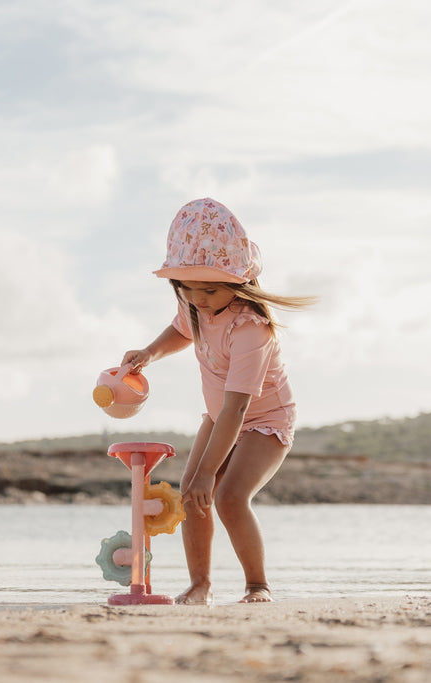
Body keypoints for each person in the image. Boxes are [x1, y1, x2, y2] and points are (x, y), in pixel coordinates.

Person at [121, 198, 314, 605]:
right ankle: (200, 584)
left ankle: (257, 586)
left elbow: (238, 408)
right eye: (187, 288)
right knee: (191, 493)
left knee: (227, 497)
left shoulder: (251, 329)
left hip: (264, 420)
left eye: (208, 289)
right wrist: (149, 354)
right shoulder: (195, 304)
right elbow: (181, 329)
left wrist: (211, 470)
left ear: (237, 281)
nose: (197, 298)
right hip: (218, 415)